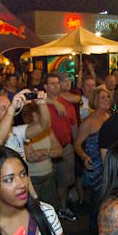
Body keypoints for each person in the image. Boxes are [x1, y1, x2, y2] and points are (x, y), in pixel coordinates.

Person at [75, 86, 111, 234]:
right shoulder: (88, 122)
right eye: (103, 97)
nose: (107, 100)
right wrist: (84, 157)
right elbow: (77, 144)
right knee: (97, 199)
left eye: (108, 97)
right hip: (96, 164)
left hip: (109, 162)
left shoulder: (110, 116)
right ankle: (95, 230)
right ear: (95, 100)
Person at [43, 73, 79, 221]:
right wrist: (52, 102)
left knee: (64, 181)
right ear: (45, 87)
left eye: (57, 83)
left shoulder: (67, 103)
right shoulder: (41, 103)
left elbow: (73, 125)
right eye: (52, 83)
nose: (56, 85)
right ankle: (50, 212)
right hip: (47, 151)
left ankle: (63, 208)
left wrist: (75, 144)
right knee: (48, 183)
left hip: (66, 148)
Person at [0, 90, 50, 157]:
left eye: (9, 106)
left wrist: (42, 104)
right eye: (3, 108)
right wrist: (12, 108)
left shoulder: (17, 131)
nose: (10, 111)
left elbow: (43, 125)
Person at [20, 103, 62, 208]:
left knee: (51, 207)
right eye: (37, 115)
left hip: (49, 176)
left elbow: (60, 151)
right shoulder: (24, 133)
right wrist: (50, 152)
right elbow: (31, 157)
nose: (41, 117)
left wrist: (43, 152)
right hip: (33, 179)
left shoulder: (47, 130)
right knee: (35, 210)